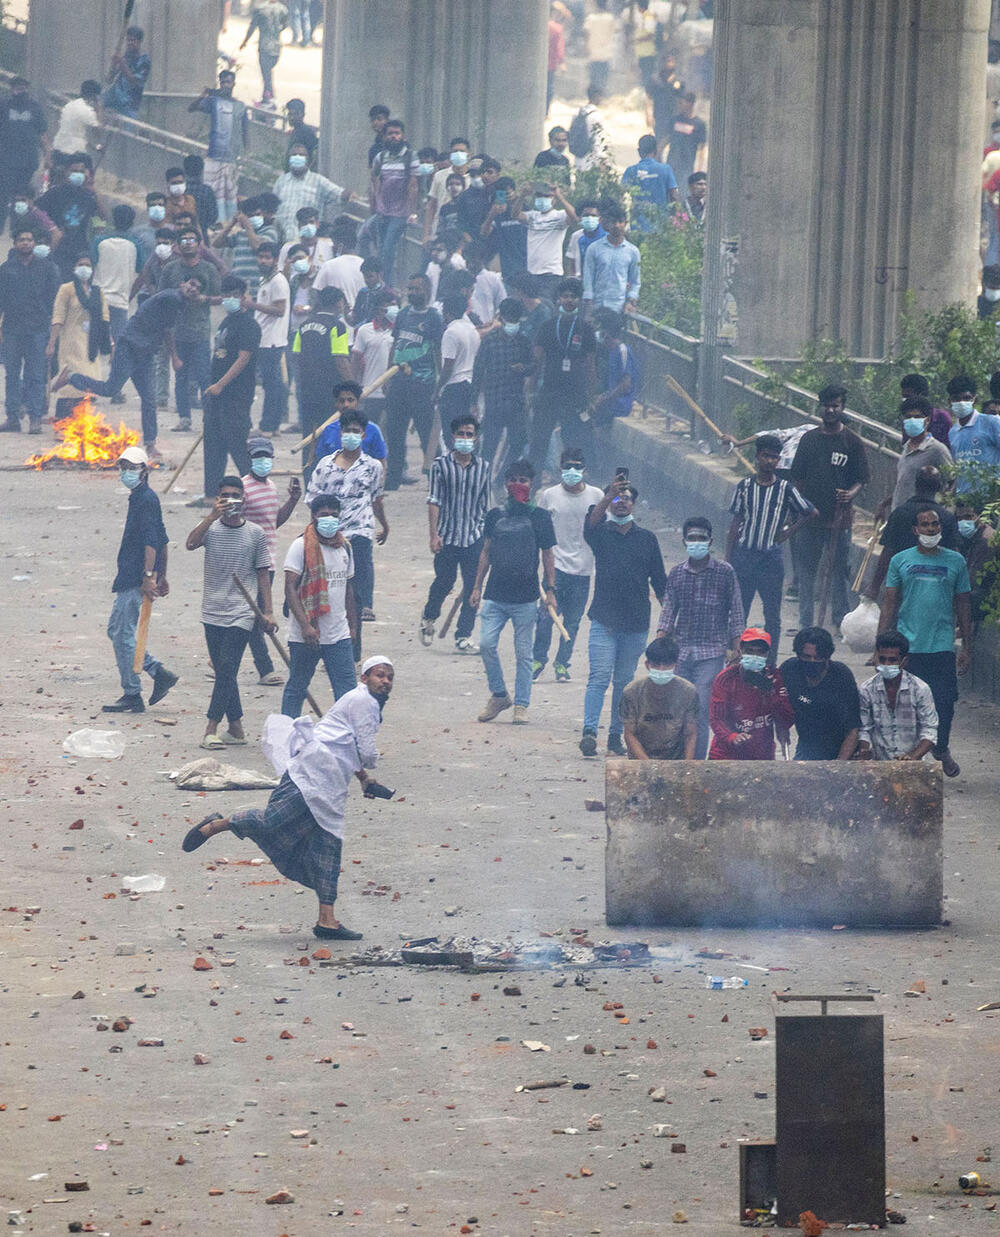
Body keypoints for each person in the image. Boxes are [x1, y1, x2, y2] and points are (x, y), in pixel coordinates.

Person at [181, 656, 396, 942]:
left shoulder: (362, 702)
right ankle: (217, 825)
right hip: (312, 774)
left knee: (328, 848)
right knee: (273, 821)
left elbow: (347, 746)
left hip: (331, 784)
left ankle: (326, 921)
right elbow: (367, 751)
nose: (385, 681)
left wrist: (364, 779)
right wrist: (372, 764)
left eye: (390, 678)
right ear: (365, 677)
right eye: (380, 675)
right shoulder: (365, 702)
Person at [55, 280, 200, 456]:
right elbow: (168, 331)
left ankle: (150, 444)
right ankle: (71, 377)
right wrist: (175, 357)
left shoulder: (179, 303)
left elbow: (165, 329)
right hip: (129, 347)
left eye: (197, 289)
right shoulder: (172, 297)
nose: (193, 289)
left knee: (149, 399)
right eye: (192, 285)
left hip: (145, 354)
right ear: (183, 284)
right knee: (110, 389)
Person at [879, 504, 972, 777]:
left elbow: (963, 604)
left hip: (942, 647)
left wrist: (967, 646)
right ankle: (909, 761)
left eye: (935, 525)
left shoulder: (956, 561)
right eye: (926, 525)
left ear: (940, 528)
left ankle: (941, 748)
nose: (931, 529)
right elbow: (890, 603)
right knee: (904, 707)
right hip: (908, 649)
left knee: (944, 703)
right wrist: (881, 646)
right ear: (915, 530)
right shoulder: (900, 561)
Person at [186, 475, 275, 749]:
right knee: (227, 671)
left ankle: (210, 729)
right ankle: (235, 728)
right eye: (225, 496)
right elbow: (190, 543)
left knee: (225, 669)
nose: (231, 501)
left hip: (242, 612)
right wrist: (210, 517)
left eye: (236, 496)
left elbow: (263, 574)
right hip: (212, 610)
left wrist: (268, 611)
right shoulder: (210, 529)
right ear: (218, 499)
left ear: (244, 500)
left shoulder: (256, 534)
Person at [579, 477, 667, 756]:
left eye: (626, 498)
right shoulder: (601, 533)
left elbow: (660, 582)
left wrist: (669, 621)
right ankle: (589, 731)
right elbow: (590, 523)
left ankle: (617, 734)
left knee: (624, 682)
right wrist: (608, 494)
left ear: (634, 504)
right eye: (616, 498)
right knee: (599, 676)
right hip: (604, 619)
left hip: (636, 623)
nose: (621, 502)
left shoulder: (647, 539)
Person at [470, 458, 557, 724]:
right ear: (506, 484)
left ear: (532, 484)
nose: (517, 485)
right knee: (486, 644)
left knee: (524, 654)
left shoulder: (540, 517)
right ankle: (499, 695)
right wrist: (476, 586)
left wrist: (550, 590)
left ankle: (521, 704)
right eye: (513, 480)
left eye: (523, 481)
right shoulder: (495, 515)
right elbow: (485, 552)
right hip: (495, 595)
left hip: (526, 598)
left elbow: (548, 555)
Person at [657, 516, 745, 760]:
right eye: (692, 538)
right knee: (677, 710)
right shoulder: (676, 574)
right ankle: (676, 758)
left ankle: (695, 762)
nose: (697, 542)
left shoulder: (724, 572)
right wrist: (661, 639)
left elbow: (736, 611)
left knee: (700, 710)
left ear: (710, 541)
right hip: (681, 651)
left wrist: (738, 648)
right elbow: (668, 610)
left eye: (701, 539)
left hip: (711, 652)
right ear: (685, 542)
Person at [725, 434, 815, 658]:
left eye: (774, 457)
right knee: (739, 612)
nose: (770, 461)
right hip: (744, 555)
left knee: (772, 615)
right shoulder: (745, 486)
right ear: (757, 457)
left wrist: (788, 532)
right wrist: (728, 558)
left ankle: (771, 663)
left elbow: (810, 512)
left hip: (770, 559)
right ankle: (735, 658)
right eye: (766, 456)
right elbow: (736, 523)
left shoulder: (785, 488)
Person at [103, 444, 177, 713]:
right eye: (123, 467)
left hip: (135, 576)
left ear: (144, 470)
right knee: (116, 630)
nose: (126, 473)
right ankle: (158, 673)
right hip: (133, 574)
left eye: (131, 468)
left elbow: (151, 542)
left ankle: (133, 692)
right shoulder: (143, 498)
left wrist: (149, 576)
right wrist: (163, 574)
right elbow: (163, 538)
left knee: (123, 634)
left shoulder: (145, 499)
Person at [789, 384, 870, 630]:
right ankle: (806, 623)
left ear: (842, 407)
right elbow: (797, 479)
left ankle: (839, 621)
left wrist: (850, 494)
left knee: (837, 572)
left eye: (836, 405)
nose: (831, 409)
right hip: (809, 520)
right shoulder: (809, 440)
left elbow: (862, 479)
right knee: (806, 573)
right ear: (820, 407)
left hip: (839, 520)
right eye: (827, 405)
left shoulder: (852, 442)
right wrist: (798, 509)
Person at [305, 405, 389, 642]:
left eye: (356, 430)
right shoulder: (324, 466)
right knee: (328, 592)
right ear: (340, 433)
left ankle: (353, 649)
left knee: (355, 595)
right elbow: (312, 500)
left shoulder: (373, 467)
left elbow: (376, 498)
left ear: (363, 434)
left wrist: (384, 524)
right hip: (328, 535)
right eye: (347, 430)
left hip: (359, 532)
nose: (351, 434)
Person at [420, 415, 491, 655]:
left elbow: (485, 504)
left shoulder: (483, 468)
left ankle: (463, 635)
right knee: (445, 581)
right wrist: (433, 534)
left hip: (473, 537)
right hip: (447, 537)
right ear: (453, 437)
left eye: (469, 434)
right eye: (461, 434)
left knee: (473, 587)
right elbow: (434, 501)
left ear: (476, 438)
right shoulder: (441, 466)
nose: (465, 439)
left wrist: (487, 539)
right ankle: (429, 616)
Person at [282, 493, 358, 715]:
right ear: (314, 517)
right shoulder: (300, 547)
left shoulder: (344, 547)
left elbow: (348, 589)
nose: (330, 519)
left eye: (334, 515)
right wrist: (305, 625)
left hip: (338, 633)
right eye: (324, 515)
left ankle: (346, 739)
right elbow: (290, 588)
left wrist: (352, 627)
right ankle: (288, 735)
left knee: (346, 692)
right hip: (306, 634)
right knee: (297, 687)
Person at [532, 448, 604, 682]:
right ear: (560, 468)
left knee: (572, 623)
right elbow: (539, 531)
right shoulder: (548, 495)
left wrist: (615, 493)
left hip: (583, 570)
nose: (572, 471)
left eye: (577, 466)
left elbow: (609, 515)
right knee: (544, 618)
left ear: (585, 469)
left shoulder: (596, 495)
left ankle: (562, 663)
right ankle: (538, 659)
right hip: (556, 567)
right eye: (567, 466)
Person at [242, 436, 301, 686]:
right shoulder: (242, 488)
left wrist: (293, 500)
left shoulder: (271, 488)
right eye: (257, 457)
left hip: (270, 561)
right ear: (250, 458)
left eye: (266, 457)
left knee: (249, 615)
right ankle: (264, 668)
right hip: (247, 560)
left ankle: (222, 657)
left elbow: (273, 522)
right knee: (256, 615)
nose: (262, 461)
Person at [202, 275, 262, 501]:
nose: (230, 299)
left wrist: (220, 384)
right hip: (216, 395)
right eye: (226, 295)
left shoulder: (249, 325)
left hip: (236, 394)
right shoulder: (226, 322)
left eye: (235, 295)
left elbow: (243, 358)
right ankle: (211, 494)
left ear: (244, 296)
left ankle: (255, 492)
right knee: (213, 443)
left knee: (237, 444)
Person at [529, 277, 597, 470]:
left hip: (575, 395)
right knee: (539, 442)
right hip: (549, 392)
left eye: (573, 297)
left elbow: (591, 367)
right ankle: (531, 488)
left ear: (578, 300)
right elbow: (536, 363)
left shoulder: (586, 330)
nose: (569, 300)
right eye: (565, 296)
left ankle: (573, 486)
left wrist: (591, 399)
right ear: (558, 299)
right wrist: (530, 393)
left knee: (574, 443)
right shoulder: (548, 327)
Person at [159, 226, 221, 432]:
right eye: (183, 240)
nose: (188, 244)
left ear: (199, 243)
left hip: (201, 332)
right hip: (177, 332)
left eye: (191, 239)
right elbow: (161, 297)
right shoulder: (170, 269)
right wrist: (178, 294)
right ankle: (184, 418)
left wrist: (204, 298)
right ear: (177, 246)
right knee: (181, 377)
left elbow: (221, 297)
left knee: (204, 376)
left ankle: (210, 417)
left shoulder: (208, 269)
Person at [385, 273, 443, 490]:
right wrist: (388, 373)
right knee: (395, 432)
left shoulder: (433, 318)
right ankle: (393, 478)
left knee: (426, 433)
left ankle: (436, 478)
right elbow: (395, 344)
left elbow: (438, 351)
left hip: (422, 384)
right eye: (409, 289)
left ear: (427, 291)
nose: (412, 293)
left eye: (416, 289)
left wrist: (438, 384)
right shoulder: (402, 315)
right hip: (399, 382)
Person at [0, 227, 61, 434]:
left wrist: (53, 330)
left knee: (36, 375)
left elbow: (55, 300)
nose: (26, 242)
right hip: (12, 330)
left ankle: (35, 418)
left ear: (34, 243)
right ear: (15, 244)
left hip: (38, 329)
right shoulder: (6, 269)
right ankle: (13, 418)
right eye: (21, 239)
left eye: (29, 239)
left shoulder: (46, 268)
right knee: (12, 375)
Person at [708, 628, 795, 761]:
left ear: (767, 654)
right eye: (750, 651)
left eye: (760, 652)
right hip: (726, 754)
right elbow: (716, 718)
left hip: (761, 754)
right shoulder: (726, 679)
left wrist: (771, 693)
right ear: (741, 651)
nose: (755, 656)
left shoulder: (775, 678)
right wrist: (732, 736)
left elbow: (786, 719)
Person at [293, 287, 352, 473]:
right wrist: (354, 387)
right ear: (338, 303)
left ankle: (309, 479)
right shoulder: (337, 326)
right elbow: (341, 360)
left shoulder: (304, 325)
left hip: (307, 391)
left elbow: (296, 356)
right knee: (331, 437)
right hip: (330, 393)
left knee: (310, 437)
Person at [47, 248, 111, 421]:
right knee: (69, 381)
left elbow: (105, 319)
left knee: (88, 383)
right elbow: (58, 317)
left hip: (92, 344)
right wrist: (52, 342)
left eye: (88, 265)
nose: (84, 268)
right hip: (71, 342)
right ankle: (62, 421)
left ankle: (80, 422)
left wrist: (110, 344)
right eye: (81, 265)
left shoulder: (98, 292)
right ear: (74, 268)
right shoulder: (66, 289)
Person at [779, 626, 860, 760]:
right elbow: (777, 703)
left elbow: (853, 729)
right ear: (798, 654)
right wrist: (782, 728)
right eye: (806, 657)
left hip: (841, 746)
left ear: (827, 657)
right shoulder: (789, 670)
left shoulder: (841, 676)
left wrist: (838, 766)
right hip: (808, 745)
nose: (812, 662)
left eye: (818, 658)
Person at [856, 630, 938, 762]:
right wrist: (865, 750)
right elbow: (864, 728)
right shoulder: (866, 689)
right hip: (879, 763)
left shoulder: (920, 689)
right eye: (882, 659)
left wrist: (913, 756)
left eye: (892, 660)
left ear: (904, 661)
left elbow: (930, 729)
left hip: (914, 763)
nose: (886, 664)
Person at [473, 297, 533, 468]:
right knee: (489, 447)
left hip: (515, 401)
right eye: (509, 319)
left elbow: (533, 365)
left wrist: (524, 368)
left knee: (518, 444)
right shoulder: (489, 340)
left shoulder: (523, 340)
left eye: (516, 320)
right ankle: (482, 482)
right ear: (501, 318)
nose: (512, 324)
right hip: (494, 400)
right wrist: (474, 401)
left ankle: (501, 479)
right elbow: (478, 370)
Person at [621, 635, 698, 760]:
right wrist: (649, 765)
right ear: (647, 665)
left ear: (675, 665)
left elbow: (690, 734)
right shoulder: (632, 692)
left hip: (675, 758)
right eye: (656, 664)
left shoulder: (688, 692)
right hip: (641, 758)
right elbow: (630, 734)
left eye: (667, 664)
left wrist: (687, 766)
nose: (661, 669)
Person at [189, 71, 249, 222]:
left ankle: (227, 223)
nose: (226, 85)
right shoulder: (213, 102)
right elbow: (191, 108)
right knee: (211, 190)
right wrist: (203, 95)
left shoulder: (240, 106)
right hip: (214, 156)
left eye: (228, 82)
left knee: (229, 193)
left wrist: (246, 153)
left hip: (231, 159)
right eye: (223, 82)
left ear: (234, 84)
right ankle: (211, 220)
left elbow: (245, 131)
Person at [247, 242, 289, 436]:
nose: (262, 261)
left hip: (272, 340)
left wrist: (252, 305)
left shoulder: (278, 282)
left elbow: (280, 310)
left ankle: (267, 426)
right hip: (263, 338)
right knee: (272, 384)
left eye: (267, 257)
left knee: (272, 385)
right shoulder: (266, 280)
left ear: (275, 259)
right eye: (260, 257)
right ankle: (273, 425)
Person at [37, 156, 102, 281]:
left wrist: (95, 191)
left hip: (79, 250)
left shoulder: (88, 197)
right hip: (58, 249)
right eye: (74, 171)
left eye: (81, 171)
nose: (78, 174)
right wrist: (51, 228)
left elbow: (103, 216)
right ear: (67, 172)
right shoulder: (54, 193)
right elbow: (37, 212)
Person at [370, 119, 418, 287]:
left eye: (397, 133)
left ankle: (387, 287)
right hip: (383, 211)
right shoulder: (381, 157)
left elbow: (413, 185)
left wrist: (412, 213)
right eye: (390, 134)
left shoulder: (410, 156)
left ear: (403, 136)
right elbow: (374, 176)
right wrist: (376, 199)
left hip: (400, 213)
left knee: (388, 249)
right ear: (385, 136)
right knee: (377, 245)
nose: (394, 137)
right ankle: (380, 283)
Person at [514, 183, 578, 302]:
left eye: (547, 196)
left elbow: (575, 217)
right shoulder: (533, 216)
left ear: (553, 200)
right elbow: (515, 215)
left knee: (546, 307)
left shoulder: (559, 216)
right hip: (532, 273)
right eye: (539, 196)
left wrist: (560, 196)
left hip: (551, 274)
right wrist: (522, 196)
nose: (542, 199)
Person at [0, 79, 48, 227]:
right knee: (3, 193)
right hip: (5, 159)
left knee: (21, 195)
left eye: (23, 88)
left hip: (27, 161)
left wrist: (48, 154)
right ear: (12, 88)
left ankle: (18, 227)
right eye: (17, 87)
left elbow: (42, 133)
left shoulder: (34, 108)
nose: (20, 90)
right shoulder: (4, 106)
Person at [273, 145, 348, 241]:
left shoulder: (318, 181)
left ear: (308, 160)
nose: (297, 157)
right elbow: (273, 209)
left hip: (305, 242)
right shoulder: (281, 181)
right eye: (294, 155)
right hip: (281, 240)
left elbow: (339, 194)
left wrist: (351, 195)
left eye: (301, 155)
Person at [891, 396, 952, 509]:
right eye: (908, 417)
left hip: (923, 518)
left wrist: (939, 508)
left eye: (917, 417)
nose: (912, 420)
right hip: (901, 513)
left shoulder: (937, 449)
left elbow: (951, 481)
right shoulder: (906, 449)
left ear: (927, 420)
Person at [92, 204, 140, 348]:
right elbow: (141, 273)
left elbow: (90, 267)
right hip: (121, 301)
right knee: (118, 346)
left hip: (98, 299)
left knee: (94, 345)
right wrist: (131, 295)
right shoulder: (135, 245)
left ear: (113, 220)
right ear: (132, 223)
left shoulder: (99, 242)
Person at [315, 380, 388, 470]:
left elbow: (381, 463)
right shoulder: (328, 431)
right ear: (336, 404)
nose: (346, 405)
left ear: (358, 402)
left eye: (350, 400)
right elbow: (321, 464)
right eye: (342, 401)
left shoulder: (373, 430)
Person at [582, 204, 641, 314]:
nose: (617, 225)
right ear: (607, 224)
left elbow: (635, 281)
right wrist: (589, 302)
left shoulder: (633, 252)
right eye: (613, 222)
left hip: (619, 308)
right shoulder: (594, 248)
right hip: (598, 305)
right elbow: (588, 277)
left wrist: (631, 301)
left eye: (620, 222)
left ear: (625, 223)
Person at [947, 374, 1000, 493]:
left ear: (974, 399)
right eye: (956, 398)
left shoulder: (992, 423)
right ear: (950, 401)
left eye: (966, 398)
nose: (961, 402)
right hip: (964, 502)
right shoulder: (953, 433)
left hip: (990, 502)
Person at [350, 291, 396, 426]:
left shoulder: (399, 330)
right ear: (378, 310)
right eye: (387, 308)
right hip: (370, 391)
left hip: (393, 393)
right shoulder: (365, 330)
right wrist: (354, 388)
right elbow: (356, 361)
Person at [436, 293, 481, 425]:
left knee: (450, 431)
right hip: (470, 384)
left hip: (455, 386)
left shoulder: (451, 332)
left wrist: (438, 389)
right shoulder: (473, 330)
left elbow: (448, 366)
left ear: (447, 312)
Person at [621, 135, 679, 230]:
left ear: (639, 151)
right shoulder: (665, 169)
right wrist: (675, 216)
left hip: (638, 224)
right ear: (655, 151)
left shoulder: (631, 171)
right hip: (661, 223)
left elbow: (621, 195)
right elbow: (674, 196)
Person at [955, 498, 997, 624]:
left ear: (980, 516)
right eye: (959, 518)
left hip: (984, 602)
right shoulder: (975, 537)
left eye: (968, 516)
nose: (963, 522)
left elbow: (975, 578)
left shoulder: (987, 540)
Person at [240, 0, 288, 106]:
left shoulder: (260, 9)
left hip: (264, 45)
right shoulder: (283, 9)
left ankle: (269, 96)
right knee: (268, 72)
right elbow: (284, 25)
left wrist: (245, 41)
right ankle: (268, 94)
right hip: (276, 45)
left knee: (266, 73)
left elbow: (252, 26)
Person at [422, 137, 471, 243]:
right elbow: (431, 206)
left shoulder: (474, 178)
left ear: (468, 154)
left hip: (465, 236)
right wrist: (426, 234)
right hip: (440, 231)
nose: (458, 154)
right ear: (450, 155)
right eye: (455, 151)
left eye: (462, 151)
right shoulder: (439, 176)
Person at [313, 217, 365, 311]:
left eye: (334, 244)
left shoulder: (329, 265)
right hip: (359, 319)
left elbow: (318, 293)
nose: (332, 247)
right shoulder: (365, 264)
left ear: (340, 245)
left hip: (336, 318)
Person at [103, 26, 151, 119]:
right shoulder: (126, 56)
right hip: (114, 95)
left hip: (130, 102)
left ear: (140, 41)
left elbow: (134, 81)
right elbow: (109, 80)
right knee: (96, 105)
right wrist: (113, 65)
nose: (130, 43)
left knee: (129, 128)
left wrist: (122, 63)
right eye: (128, 40)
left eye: (133, 40)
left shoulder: (145, 60)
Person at [52, 80, 103, 167]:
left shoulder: (69, 106)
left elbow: (75, 133)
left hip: (58, 148)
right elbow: (99, 132)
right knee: (88, 171)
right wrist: (99, 109)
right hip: (75, 153)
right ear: (94, 96)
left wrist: (93, 146)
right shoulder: (87, 111)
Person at [663, 92, 706, 190]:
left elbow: (701, 148)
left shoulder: (699, 124)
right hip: (672, 163)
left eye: (682, 103)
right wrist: (658, 154)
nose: (680, 105)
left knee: (684, 192)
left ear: (690, 103)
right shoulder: (674, 120)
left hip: (687, 165)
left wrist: (698, 168)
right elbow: (666, 139)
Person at [565, 201, 606, 277]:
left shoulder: (606, 236)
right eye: (586, 215)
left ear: (600, 218)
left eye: (593, 215)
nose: (590, 218)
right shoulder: (576, 236)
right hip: (580, 279)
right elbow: (572, 262)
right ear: (580, 218)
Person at [183, 154, 219, 236]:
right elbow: (213, 216)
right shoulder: (206, 191)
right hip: (201, 233)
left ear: (184, 170)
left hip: (181, 233)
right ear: (201, 170)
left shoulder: (181, 190)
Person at [583, 0, 616, 92]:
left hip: (593, 52)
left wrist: (586, 47)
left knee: (594, 76)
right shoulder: (610, 18)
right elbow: (613, 33)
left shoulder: (591, 18)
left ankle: (594, 95)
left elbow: (586, 33)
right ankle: (602, 94)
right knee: (603, 76)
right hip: (606, 52)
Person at [350, 257, 387, 327]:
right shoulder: (363, 293)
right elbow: (354, 318)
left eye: (370, 276)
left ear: (380, 274)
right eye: (364, 276)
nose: (366, 280)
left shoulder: (388, 294)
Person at [547, 10, 566, 113]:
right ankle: (545, 111)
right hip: (550, 64)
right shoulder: (557, 29)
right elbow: (559, 47)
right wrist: (562, 62)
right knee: (549, 88)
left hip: (535, 66)